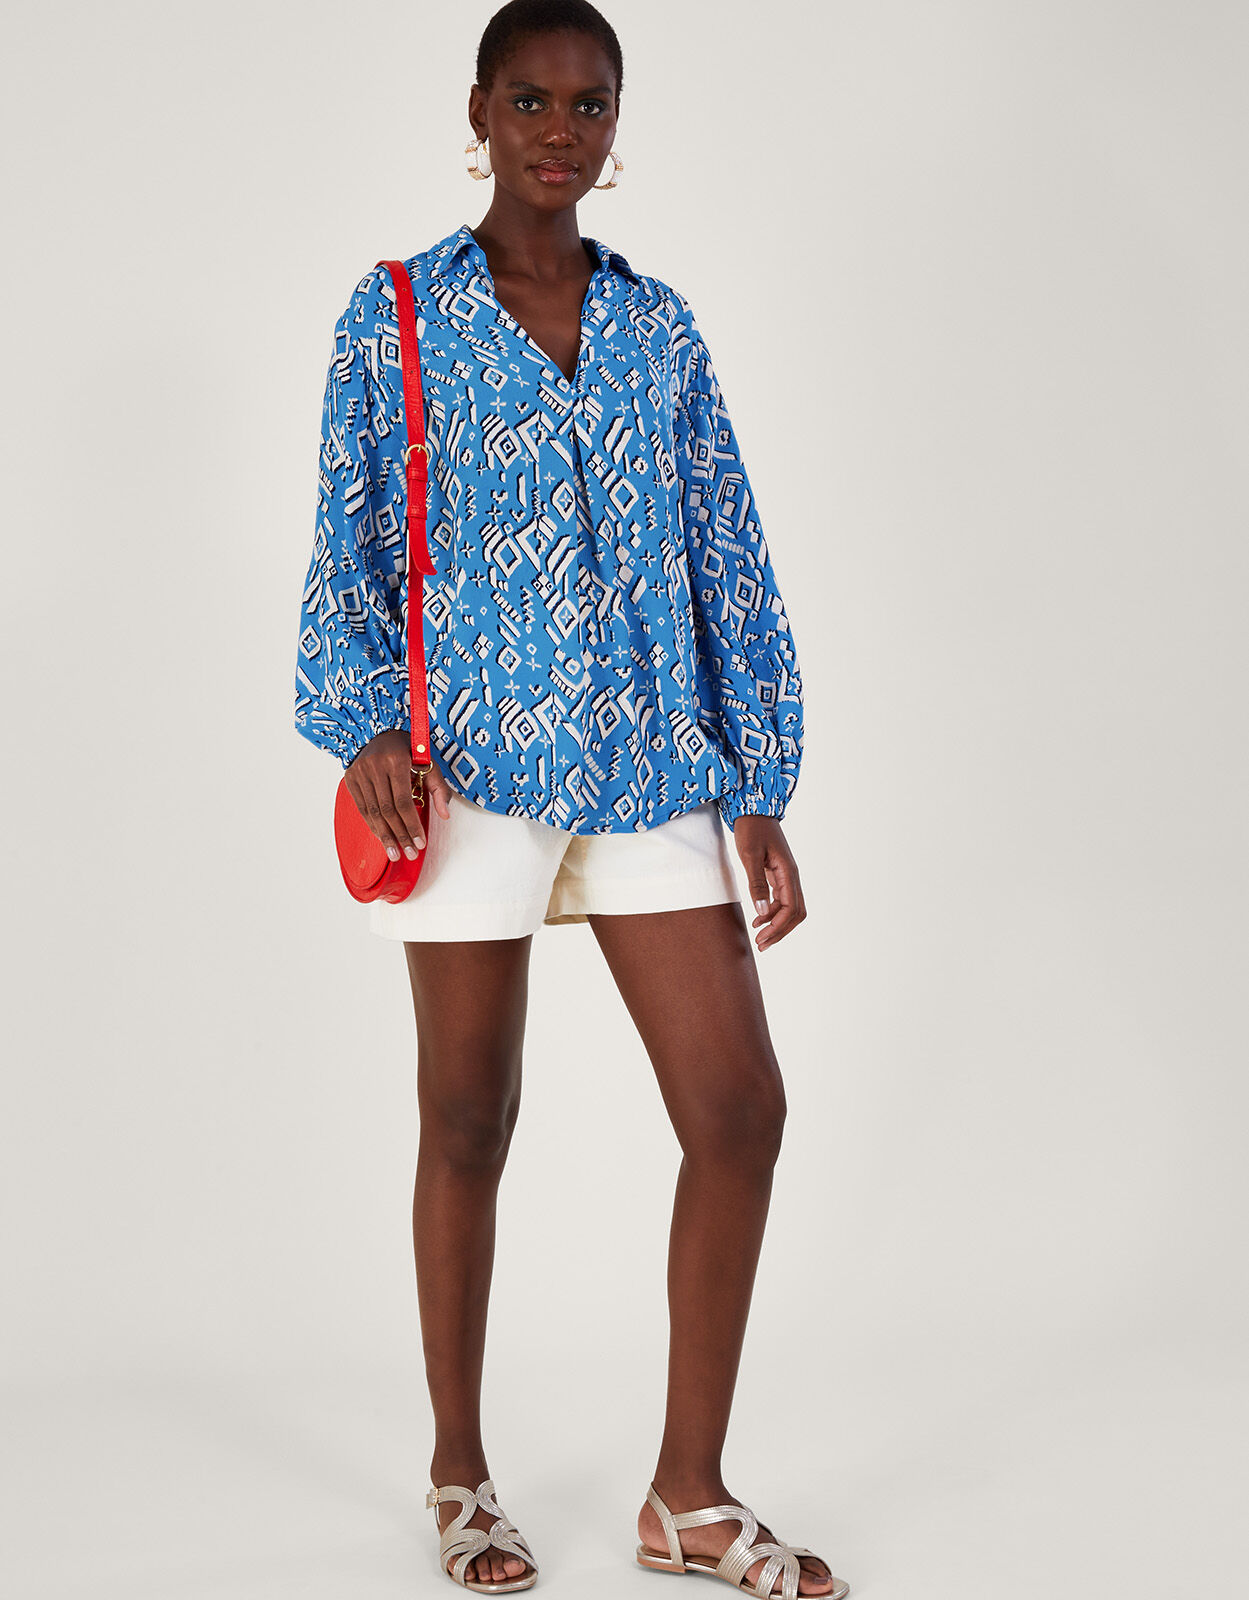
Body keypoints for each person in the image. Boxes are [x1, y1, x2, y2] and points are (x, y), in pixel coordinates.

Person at [294, 2, 846, 1595]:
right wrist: (361, 723)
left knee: (737, 1112)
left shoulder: (661, 329)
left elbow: (724, 549)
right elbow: (348, 535)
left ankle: (687, 1496)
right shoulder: (397, 313)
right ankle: (459, 1475)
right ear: (477, 110)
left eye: (589, 103)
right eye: (529, 100)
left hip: (653, 756)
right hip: (463, 768)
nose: (559, 130)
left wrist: (756, 781)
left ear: (617, 123)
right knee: (469, 1116)